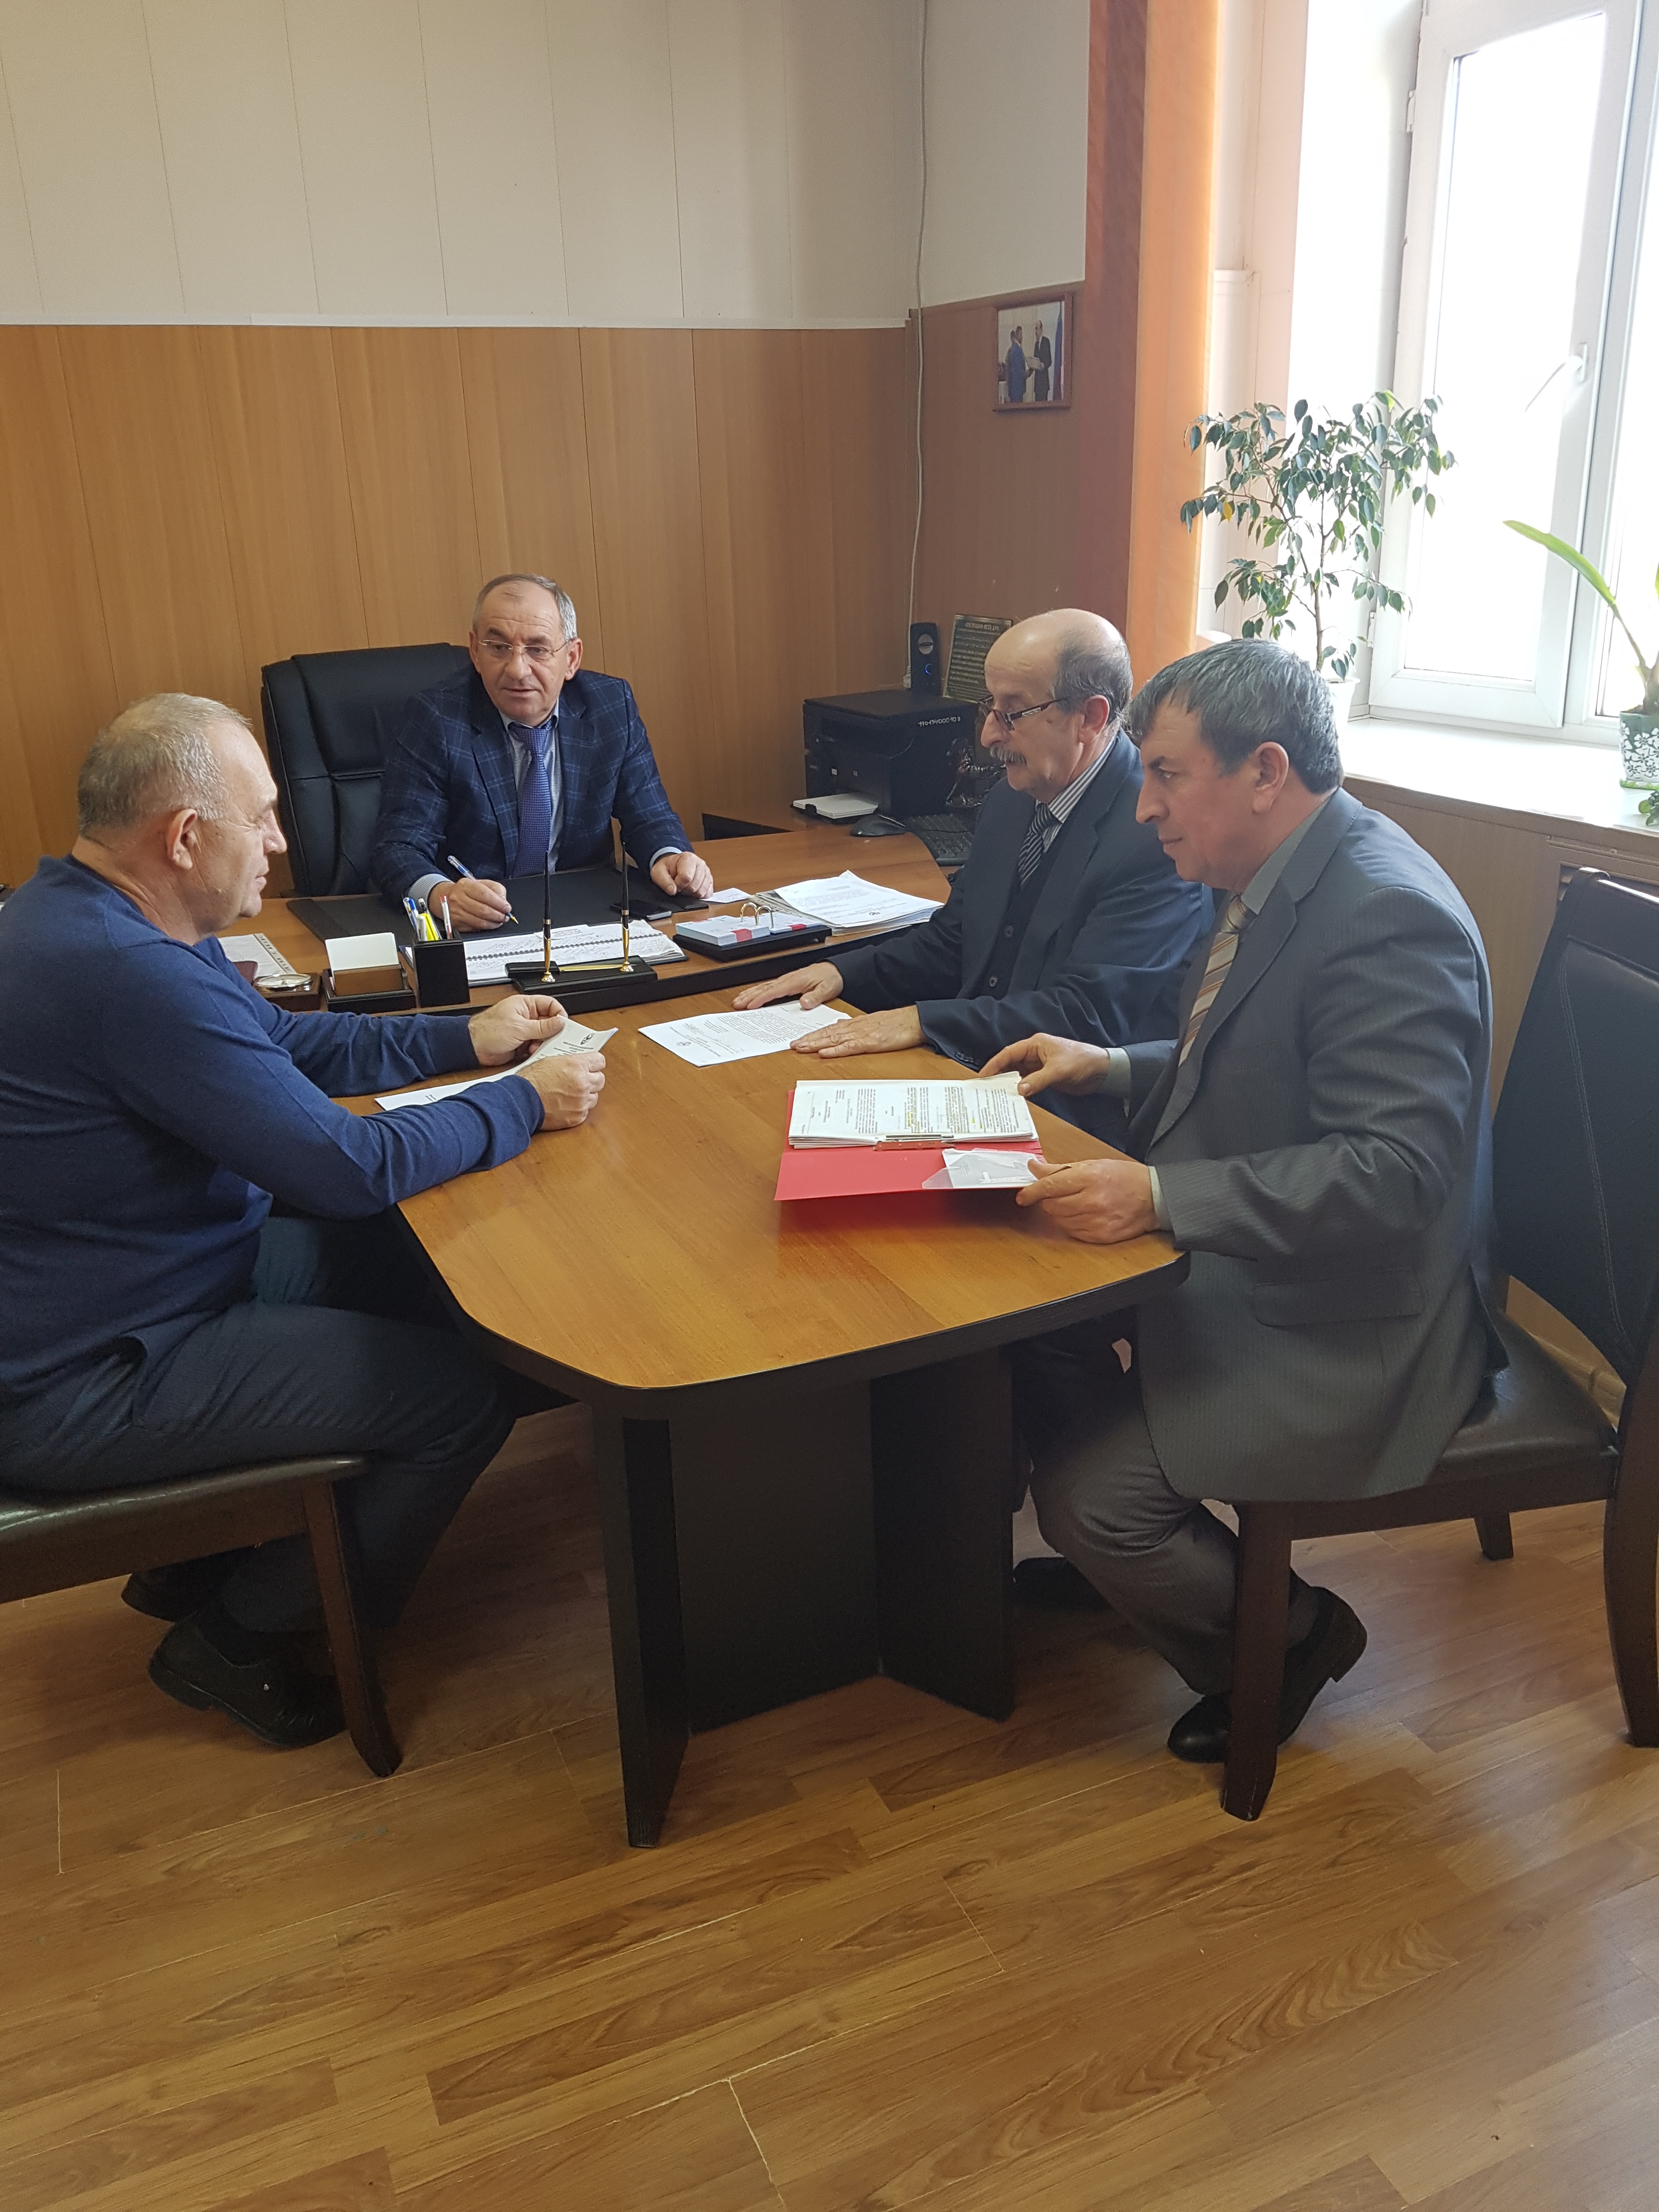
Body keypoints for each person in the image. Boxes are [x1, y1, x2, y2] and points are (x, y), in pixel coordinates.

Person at [0, 696, 607, 1750]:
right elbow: (345, 1167)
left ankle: (201, 1556)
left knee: (425, 1279)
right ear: (184, 836)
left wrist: (466, 1039)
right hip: (90, 1372)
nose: (280, 840)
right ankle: (241, 1634)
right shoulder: (129, 972)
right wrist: (521, 1101)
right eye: (262, 816)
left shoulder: (91, 908)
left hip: (147, 1277)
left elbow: (279, 1043)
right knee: (457, 1401)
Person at [984, 640, 1504, 1763]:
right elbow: (1248, 1054)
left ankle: (1291, 1637)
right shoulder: (1275, 872)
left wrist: (1160, 1195)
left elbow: (1395, 1174)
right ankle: (1140, 1575)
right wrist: (1108, 1064)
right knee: (1035, 1335)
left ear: (1265, 771)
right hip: (1287, 1259)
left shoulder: (1384, 916)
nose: (1143, 808)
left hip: (1361, 1318)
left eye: (1167, 776)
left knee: (1089, 1501)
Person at [731, 611, 1211, 1139]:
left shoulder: (1154, 833)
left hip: (1070, 1116)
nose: (987, 735)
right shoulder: (1010, 799)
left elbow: (1087, 1016)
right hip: (969, 1076)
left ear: (1090, 717)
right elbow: (956, 939)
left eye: (1012, 713)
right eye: (989, 707)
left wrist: (923, 1020)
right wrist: (844, 972)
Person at [371, 572, 714, 932]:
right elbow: (397, 847)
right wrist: (441, 895)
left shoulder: (611, 706)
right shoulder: (435, 718)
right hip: (481, 921)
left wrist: (670, 856)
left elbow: (650, 816)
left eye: (537, 649)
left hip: (584, 911)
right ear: (475, 651)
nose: (518, 670)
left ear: (572, 658)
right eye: (498, 647)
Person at [1005, 328, 1028, 404]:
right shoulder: (1015, 350)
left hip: (1018, 387)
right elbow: (1018, 369)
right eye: (1021, 334)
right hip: (1016, 388)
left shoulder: (1018, 349)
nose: (1022, 337)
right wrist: (1027, 374)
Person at [1032, 319, 1052, 403]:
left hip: (1044, 381)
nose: (1036, 332)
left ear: (1041, 329)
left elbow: (1049, 361)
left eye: (1037, 329)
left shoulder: (1046, 341)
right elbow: (1035, 359)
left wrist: (1044, 365)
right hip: (1037, 382)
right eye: (1035, 329)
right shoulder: (1036, 345)